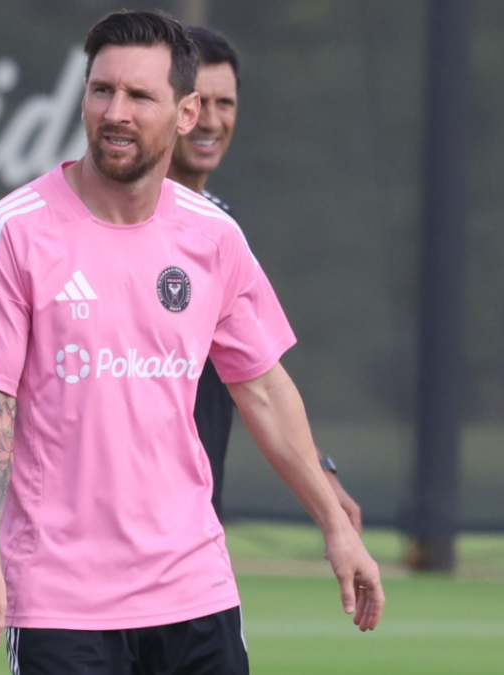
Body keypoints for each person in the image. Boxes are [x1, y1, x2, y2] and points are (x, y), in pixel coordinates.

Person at [0, 10, 384, 673]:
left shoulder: (215, 236)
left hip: (194, 590)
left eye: (139, 96)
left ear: (185, 113)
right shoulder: (12, 231)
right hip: (62, 601)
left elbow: (264, 389)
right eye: (101, 90)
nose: (115, 112)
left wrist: (335, 525)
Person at [167, 26, 363, 530]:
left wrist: (318, 471)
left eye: (225, 103)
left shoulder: (221, 228)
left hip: (195, 522)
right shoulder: (111, 221)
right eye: (199, 102)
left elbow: (258, 377)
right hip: (109, 523)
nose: (212, 120)